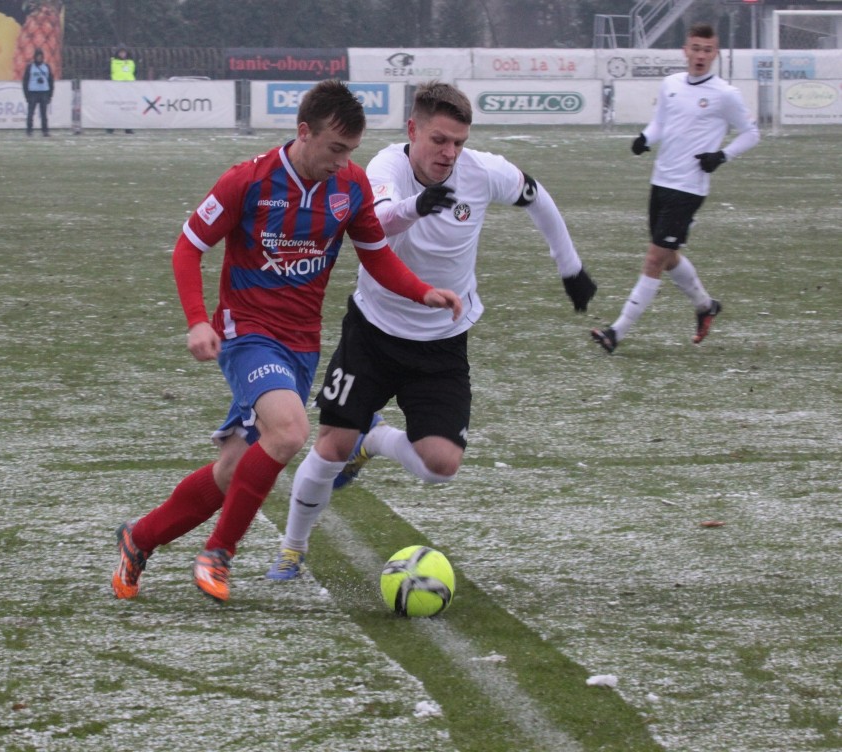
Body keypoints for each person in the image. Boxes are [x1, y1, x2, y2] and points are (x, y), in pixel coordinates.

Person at [111, 79, 462, 603]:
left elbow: (377, 255)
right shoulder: (247, 180)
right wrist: (197, 320)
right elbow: (187, 249)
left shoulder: (351, 187)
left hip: (300, 346)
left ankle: (139, 539)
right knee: (291, 431)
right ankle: (219, 553)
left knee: (232, 473)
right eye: (335, 149)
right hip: (247, 334)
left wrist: (422, 292)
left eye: (352, 152)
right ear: (304, 132)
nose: (343, 162)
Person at [266, 80, 597, 581]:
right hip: (374, 332)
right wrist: (418, 206)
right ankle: (292, 548)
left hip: (442, 342)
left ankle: (372, 441)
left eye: (459, 143)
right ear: (413, 129)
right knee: (331, 445)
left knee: (440, 465)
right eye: (439, 140)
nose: (449, 153)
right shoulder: (384, 167)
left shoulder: (484, 173)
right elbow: (373, 224)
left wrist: (570, 267)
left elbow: (537, 196)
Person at [591, 23, 760, 354]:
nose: (700, 55)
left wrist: (721, 155)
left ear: (715, 54)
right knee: (667, 257)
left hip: (689, 188)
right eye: (695, 48)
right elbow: (661, 124)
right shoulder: (670, 84)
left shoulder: (725, 94)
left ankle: (616, 332)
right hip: (661, 182)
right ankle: (705, 305)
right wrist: (645, 138)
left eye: (707, 50)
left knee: (654, 257)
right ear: (685, 50)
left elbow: (751, 133)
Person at [22, 47, 53, 137]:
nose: (39, 58)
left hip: (44, 92)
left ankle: (45, 131)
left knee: (44, 114)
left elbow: (50, 81)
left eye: (40, 56)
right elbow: (25, 81)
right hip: (33, 92)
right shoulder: (30, 67)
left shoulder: (46, 67)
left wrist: (50, 95)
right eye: (37, 56)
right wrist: (26, 95)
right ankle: (29, 131)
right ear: (34, 57)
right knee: (30, 113)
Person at [108, 44, 135, 134]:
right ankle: (111, 127)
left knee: (128, 108)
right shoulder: (113, 61)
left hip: (129, 87)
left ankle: (128, 127)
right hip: (116, 86)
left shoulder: (131, 62)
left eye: (124, 52)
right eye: (121, 52)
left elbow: (133, 73)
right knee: (115, 107)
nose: (123, 54)